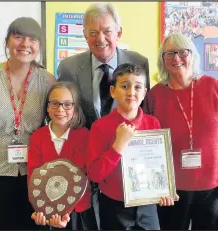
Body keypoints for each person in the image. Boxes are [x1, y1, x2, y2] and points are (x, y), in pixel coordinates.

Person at [57, 4, 150, 228]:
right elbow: (66, 114)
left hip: (127, 168)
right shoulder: (69, 67)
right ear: (85, 36)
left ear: (118, 32)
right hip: (87, 164)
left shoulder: (139, 62)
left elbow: (145, 112)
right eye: (93, 32)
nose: (101, 38)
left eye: (107, 31)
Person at [144, 33, 218, 230]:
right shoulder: (155, 95)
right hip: (171, 188)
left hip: (210, 185)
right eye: (169, 54)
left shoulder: (214, 87)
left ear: (192, 55)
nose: (176, 58)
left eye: (182, 52)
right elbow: (146, 143)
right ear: (162, 60)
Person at [0, 17, 56, 230]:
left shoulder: (47, 81)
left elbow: (56, 128)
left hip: (35, 172)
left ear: (39, 45)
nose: (25, 44)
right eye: (18, 37)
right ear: (8, 41)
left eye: (32, 39)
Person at [87, 63, 179, 230]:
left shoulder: (153, 124)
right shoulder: (100, 127)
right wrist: (118, 146)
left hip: (147, 206)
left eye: (138, 87)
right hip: (114, 206)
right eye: (124, 86)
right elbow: (94, 174)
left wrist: (164, 190)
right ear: (113, 91)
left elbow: (159, 165)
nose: (131, 92)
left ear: (144, 93)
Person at [28, 81, 97, 230]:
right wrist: (42, 211)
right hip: (47, 211)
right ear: (47, 107)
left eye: (67, 104)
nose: (60, 109)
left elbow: (78, 179)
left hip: (78, 212)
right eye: (55, 103)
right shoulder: (37, 137)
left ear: (75, 108)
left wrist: (62, 214)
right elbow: (33, 178)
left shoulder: (83, 136)